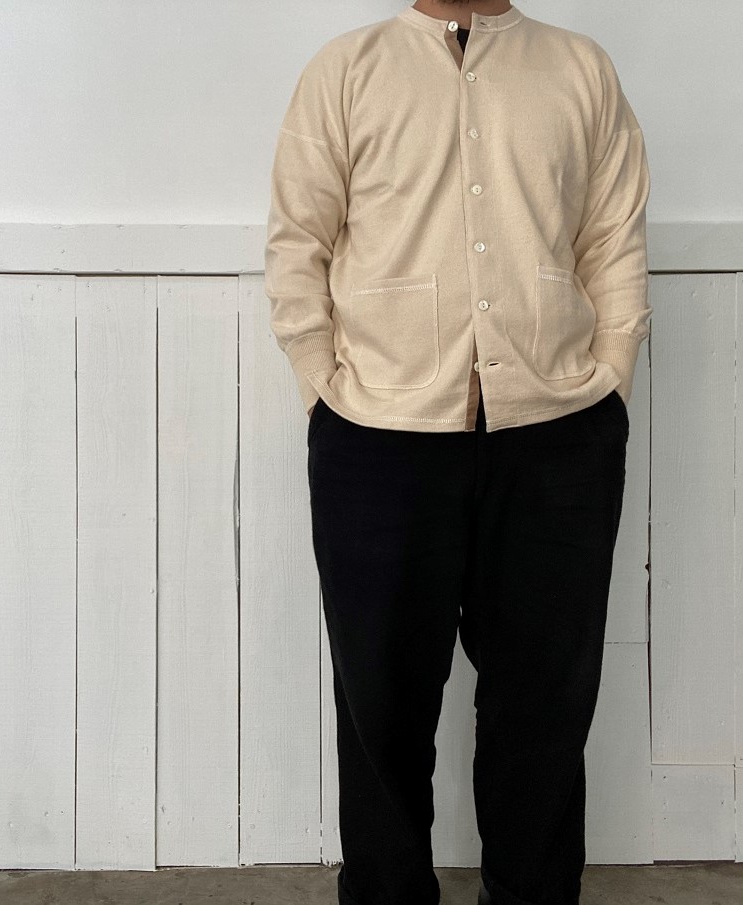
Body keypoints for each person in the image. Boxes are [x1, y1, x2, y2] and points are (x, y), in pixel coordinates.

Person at [264, 2, 651, 904]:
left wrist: (608, 377)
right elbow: (297, 241)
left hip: (557, 435)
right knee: (380, 705)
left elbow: (612, 239)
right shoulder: (346, 70)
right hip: (376, 438)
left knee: (543, 705)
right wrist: (325, 386)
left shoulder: (578, 70)